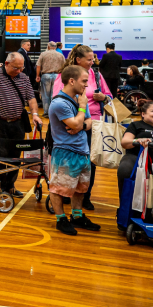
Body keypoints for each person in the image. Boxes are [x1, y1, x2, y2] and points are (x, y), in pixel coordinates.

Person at [53, 44, 112, 210]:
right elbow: (58, 99)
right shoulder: (64, 76)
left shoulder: (96, 74)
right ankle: (66, 194)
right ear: (78, 60)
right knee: (70, 162)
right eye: (89, 59)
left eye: (93, 59)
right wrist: (77, 121)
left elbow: (109, 96)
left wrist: (103, 97)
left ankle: (86, 196)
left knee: (89, 163)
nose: (92, 62)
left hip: (92, 124)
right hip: (70, 125)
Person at [47, 65, 101, 236]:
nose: (86, 85)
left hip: (82, 150)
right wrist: (82, 110)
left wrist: (81, 125)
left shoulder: (77, 100)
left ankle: (77, 216)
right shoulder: (59, 103)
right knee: (58, 189)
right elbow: (78, 123)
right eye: (84, 81)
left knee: (80, 188)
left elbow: (88, 122)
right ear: (71, 81)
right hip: (65, 153)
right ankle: (60, 219)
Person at [0, 52, 43, 198]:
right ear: (7, 64)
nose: (19, 71)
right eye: (16, 68)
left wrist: (35, 114)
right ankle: (0, 186)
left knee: (16, 156)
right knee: (0, 156)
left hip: (18, 123)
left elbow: (31, 99)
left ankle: (10, 186)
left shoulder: (24, 77)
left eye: (21, 68)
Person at [117, 99, 153, 201]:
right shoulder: (136, 125)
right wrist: (138, 140)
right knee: (125, 168)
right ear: (143, 114)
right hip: (140, 159)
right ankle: (126, 205)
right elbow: (125, 142)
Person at [35, 41, 65, 116]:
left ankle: (46, 112)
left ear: (48, 46)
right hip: (57, 76)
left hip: (46, 75)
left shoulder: (43, 54)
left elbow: (38, 66)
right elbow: (64, 66)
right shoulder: (60, 55)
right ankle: (53, 112)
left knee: (45, 95)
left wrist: (37, 75)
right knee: (54, 94)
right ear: (55, 47)